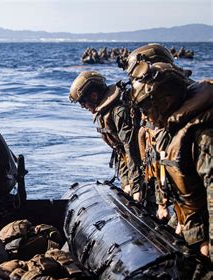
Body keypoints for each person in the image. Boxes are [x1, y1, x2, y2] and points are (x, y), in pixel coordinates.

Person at [129, 61, 212, 261]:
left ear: (165, 101)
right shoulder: (171, 129)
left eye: (147, 107)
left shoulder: (203, 135)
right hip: (190, 223)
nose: (145, 114)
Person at [69, 71, 143, 201]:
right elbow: (121, 153)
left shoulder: (119, 112)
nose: (83, 107)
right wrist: (126, 183)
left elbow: (132, 150)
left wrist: (136, 188)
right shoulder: (104, 112)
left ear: (93, 96)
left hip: (144, 171)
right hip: (133, 169)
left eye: (83, 102)